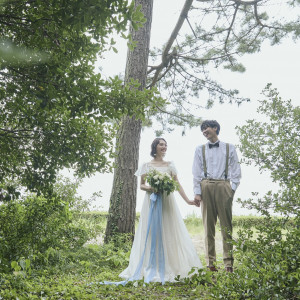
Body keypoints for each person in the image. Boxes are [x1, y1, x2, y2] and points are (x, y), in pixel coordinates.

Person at [119, 138, 202, 283]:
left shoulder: (170, 165)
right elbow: (142, 186)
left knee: (169, 230)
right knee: (150, 231)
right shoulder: (146, 165)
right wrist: (152, 188)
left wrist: (188, 200)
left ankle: (171, 265)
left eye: (166, 144)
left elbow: (177, 184)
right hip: (152, 202)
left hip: (167, 202)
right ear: (155, 147)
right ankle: (150, 265)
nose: (164, 147)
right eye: (161, 144)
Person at [192, 120, 241, 273]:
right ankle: (210, 263)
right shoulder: (199, 149)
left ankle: (228, 264)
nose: (204, 131)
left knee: (226, 227)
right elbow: (196, 172)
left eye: (206, 128)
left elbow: (236, 171)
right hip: (206, 186)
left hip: (223, 185)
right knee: (208, 227)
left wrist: (230, 191)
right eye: (202, 129)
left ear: (215, 128)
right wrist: (197, 193)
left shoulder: (229, 147)